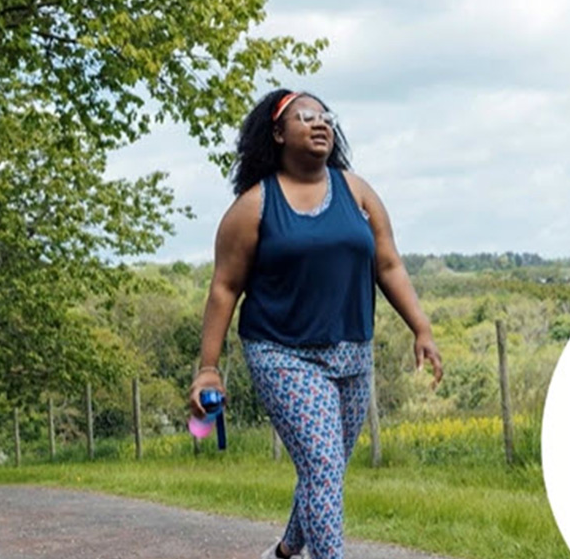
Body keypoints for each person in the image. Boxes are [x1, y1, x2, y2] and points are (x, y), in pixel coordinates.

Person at [188, 89, 444, 559]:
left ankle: (285, 552)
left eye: (325, 116)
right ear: (278, 132)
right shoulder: (253, 207)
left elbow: (387, 264)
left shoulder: (357, 192)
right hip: (281, 352)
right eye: (305, 116)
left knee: (323, 471)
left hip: (352, 353)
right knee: (324, 465)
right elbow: (224, 288)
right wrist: (208, 367)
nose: (319, 123)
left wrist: (421, 328)